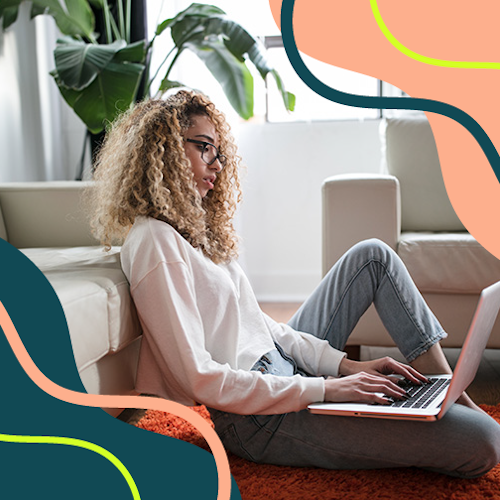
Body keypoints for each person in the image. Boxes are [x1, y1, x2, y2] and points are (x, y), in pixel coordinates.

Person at [89, 90, 500, 478]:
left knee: (372, 255)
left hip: (286, 372)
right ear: (164, 152)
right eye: (203, 147)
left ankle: (447, 392)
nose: (217, 163)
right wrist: (326, 390)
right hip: (259, 419)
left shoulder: (199, 232)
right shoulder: (153, 241)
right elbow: (199, 378)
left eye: (219, 151)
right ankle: (449, 408)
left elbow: (264, 327)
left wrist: (345, 367)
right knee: (483, 442)